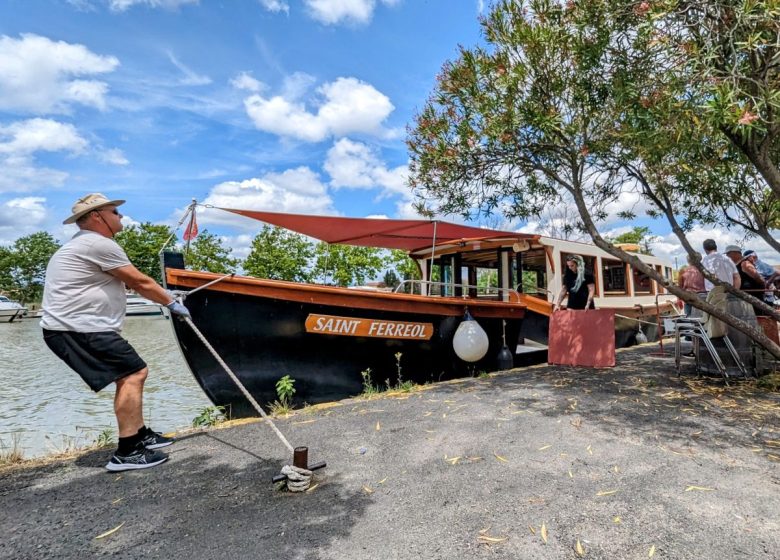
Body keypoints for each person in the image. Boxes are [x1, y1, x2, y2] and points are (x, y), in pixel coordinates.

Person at [41, 193, 191, 472]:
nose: (121, 217)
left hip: (73, 327)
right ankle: (128, 452)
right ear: (97, 216)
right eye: (115, 212)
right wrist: (170, 303)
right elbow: (139, 281)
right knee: (133, 373)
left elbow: (128, 284)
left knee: (132, 373)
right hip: (77, 327)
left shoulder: (86, 245)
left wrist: (165, 294)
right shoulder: (98, 243)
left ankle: (140, 434)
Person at [700, 240, 739, 338]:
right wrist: (735, 293)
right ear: (716, 246)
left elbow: (709, 277)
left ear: (705, 249)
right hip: (729, 294)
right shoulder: (727, 259)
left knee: (714, 326)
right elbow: (737, 277)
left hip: (713, 295)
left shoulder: (705, 261)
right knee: (731, 325)